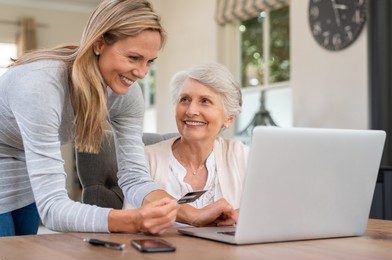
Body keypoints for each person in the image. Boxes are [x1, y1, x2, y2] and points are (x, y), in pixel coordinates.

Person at [0, 0, 182, 237]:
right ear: (99, 44)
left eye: (149, 61)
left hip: (24, 167)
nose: (142, 73)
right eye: (133, 57)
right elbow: (53, 210)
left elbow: (135, 177)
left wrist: (189, 213)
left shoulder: (126, 94)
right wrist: (131, 220)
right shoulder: (40, 85)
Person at [142, 63, 249, 224]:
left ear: (229, 118)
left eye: (205, 101)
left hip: (227, 249)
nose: (191, 110)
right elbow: (132, 220)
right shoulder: (146, 158)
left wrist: (242, 215)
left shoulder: (243, 156)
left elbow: (273, 205)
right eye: (184, 99)